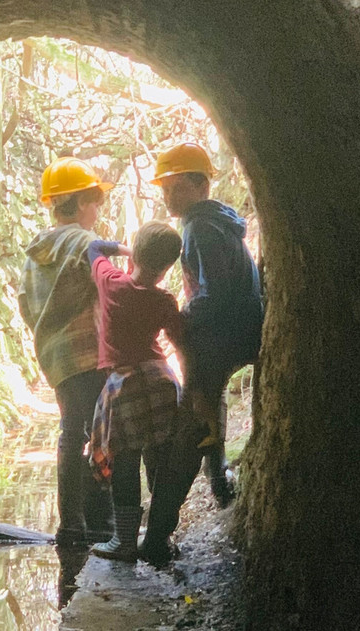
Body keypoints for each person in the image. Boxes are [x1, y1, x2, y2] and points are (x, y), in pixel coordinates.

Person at [153, 142, 264, 508]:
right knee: (209, 403)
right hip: (245, 324)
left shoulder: (199, 227)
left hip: (223, 331)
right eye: (165, 188)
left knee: (195, 410)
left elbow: (213, 291)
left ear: (202, 187)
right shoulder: (218, 220)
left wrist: (183, 320)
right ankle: (217, 482)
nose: (169, 196)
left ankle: (167, 509)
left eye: (178, 187)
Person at [19, 156, 116, 547]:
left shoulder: (34, 253)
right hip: (91, 353)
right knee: (103, 437)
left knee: (68, 434)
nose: (99, 207)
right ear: (77, 203)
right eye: (95, 199)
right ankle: (104, 520)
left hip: (57, 359)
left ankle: (70, 525)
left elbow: (25, 304)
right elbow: (112, 287)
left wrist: (48, 337)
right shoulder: (86, 242)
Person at [84, 222, 185, 562]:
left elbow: (94, 248)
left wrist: (124, 250)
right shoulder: (165, 300)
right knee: (160, 459)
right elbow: (182, 340)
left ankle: (124, 541)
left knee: (124, 462)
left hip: (124, 384)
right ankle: (159, 535)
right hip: (160, 381)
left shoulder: (113, 284)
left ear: (135, 254)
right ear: (168, 267)